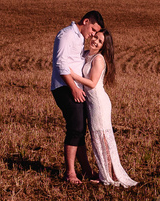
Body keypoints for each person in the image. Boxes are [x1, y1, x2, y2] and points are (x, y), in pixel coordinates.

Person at [69, 30, 138, 187]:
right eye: (95, 37)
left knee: (102, 139)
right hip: (92, 103)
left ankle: (107, 176)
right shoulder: (86, 54)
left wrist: (72, 75)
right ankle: (107, 173)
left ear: (102, 47)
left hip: (99, 103)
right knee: (97, 138)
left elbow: (92, 83)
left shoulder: (98, 59)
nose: (95, 41)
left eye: (99, 41)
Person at [51, 11, 105, 184]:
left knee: (81, 129)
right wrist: (73, 88)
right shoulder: (66, 34)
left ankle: (87, 171)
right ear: (86, 21)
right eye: (93, 30)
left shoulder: (80, 37)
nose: (92, 34)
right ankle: (70, 173)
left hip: (76, 88)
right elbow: (60, 64)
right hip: (64, 87)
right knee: (75, 128)